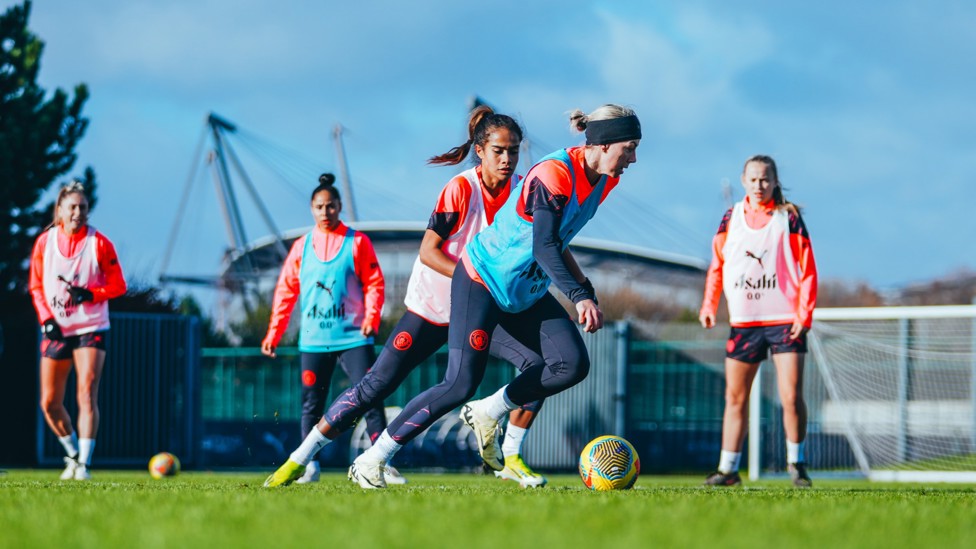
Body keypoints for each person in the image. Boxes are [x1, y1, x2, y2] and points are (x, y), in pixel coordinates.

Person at [343, 104, 641, 489]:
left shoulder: (605, 178)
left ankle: (489, 410)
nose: (633, 158)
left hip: (523, 290)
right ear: (602, 143)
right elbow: (545, 244)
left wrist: (585, 290)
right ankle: (371, 460)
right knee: (458, 384)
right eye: (629, 148)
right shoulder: (553, 174)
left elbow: (561, 239)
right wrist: (576, 296)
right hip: (481, 281)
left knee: (571, 364)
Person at [265, 106, 549, 489]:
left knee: (543, 365)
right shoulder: (460, 189)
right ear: (479, 150)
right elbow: (428, 251)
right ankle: (300, 459)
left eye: (513, 150)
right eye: (499, 150)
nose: (507, 158)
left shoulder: (522, 191)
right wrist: (475, 281)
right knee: (375, 386)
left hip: (483, 307)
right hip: (434, 307)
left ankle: (511, 455)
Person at [261, 174, 392, 483]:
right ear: (311, 209)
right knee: (311, 405)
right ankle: (310, 466)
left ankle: (382, 462)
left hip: (352, 337)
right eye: (319, 207)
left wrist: (371, 319)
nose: (325, 212)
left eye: (330, 206)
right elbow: (285, 291)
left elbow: (374, 283)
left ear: (339, 207)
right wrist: (273, 333)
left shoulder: (357, 242)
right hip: (314, 340)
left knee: (371, 397)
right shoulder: (301, 248)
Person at [699, 155, 818, 488]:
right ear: (743, 180)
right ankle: (728, 470)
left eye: (765, 179)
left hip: (784, 321)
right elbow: (717, 265)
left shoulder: (788, 217)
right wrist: (709, 304)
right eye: (752, 179)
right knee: (735, 397)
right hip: (745, 322)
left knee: (790, 396)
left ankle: (797, 464)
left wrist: (803, 313)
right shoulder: (731, 217)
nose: (758, 185)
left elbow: (808, 269)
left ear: (775, 180)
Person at [29, 181, 127, 480]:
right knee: (50, 402)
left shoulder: (99, 243)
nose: (78, 213)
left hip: (90, 327)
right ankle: (71, 453)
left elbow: (118, 285)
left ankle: (84, 464)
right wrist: (46, 318)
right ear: (59, 211)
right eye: (72, 207)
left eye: (83, 207)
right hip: (57, 328)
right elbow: (36, 285)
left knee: (87, 392)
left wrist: (92, 293)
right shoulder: (45, 243)